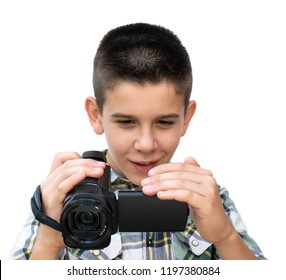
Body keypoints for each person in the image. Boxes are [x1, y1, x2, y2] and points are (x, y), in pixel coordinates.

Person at [10, 23, 265, 260]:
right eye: (126, 122)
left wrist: (225, 236)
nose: (146, 144)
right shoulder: (61, 194)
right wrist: (49, 239)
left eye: (164, 123)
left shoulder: (207, 196)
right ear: (95, 115)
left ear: (186, 118)